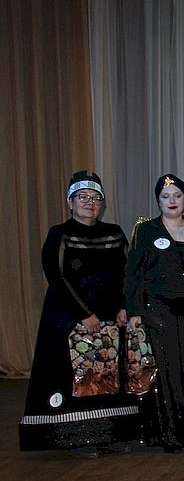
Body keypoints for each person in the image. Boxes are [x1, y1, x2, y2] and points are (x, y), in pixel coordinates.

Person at [19, 171, 141, 458]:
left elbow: (128, 273)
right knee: (75, 380)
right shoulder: (59, 233)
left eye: (96, 198)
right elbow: (57, 275)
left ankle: (110, 434)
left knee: (109, 378)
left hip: (110, 319)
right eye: (83, 197)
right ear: (70, 202)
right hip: (68, 319)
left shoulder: (114, 232)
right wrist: (84, 314)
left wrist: (125, 306)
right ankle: (77, 439)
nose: (90, 202)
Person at [125, 174, 184, 452]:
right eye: (165, 197)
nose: (172, 201)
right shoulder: (146, 230)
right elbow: (134, 273)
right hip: (158, 310)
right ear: (158, 201)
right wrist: (134, 310)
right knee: (167, 371)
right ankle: (169, 434)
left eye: (177, 196)